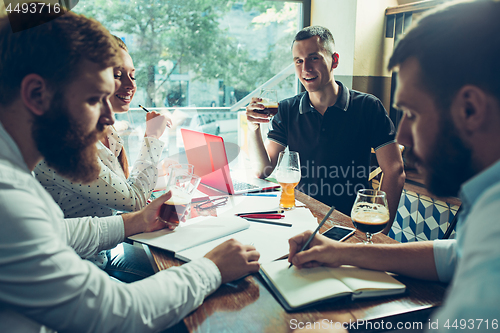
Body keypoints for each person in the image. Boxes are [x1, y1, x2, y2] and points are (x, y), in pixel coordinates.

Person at [0, 9, 259, 333]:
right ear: (37, 94)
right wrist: (213, 268)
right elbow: (117, 312)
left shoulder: (14, 177)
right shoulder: (7, 200)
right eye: (95, 99)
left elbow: (57, 232)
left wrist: (135, 221)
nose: (109, 117)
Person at [288, 1, 500, 331]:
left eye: (412, 115)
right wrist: (340, 252)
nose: (402, 135)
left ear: (470, 109)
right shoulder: (487, 203)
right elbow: (452, 256)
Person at [34, 36, 171, 282]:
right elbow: (134, 201)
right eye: (117, 74)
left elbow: (121, 191)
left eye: (133, 75)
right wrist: (152, 138)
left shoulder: (105, 131)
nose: (130, 85)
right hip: (73, 268)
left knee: (176, 265)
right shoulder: (67, 142)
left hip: (102, 253)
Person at [246, 26, 405, 233]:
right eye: (299, 61)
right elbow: (263, 169)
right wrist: (253, 128)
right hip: (299, 217)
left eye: (314, 58)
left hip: (349, 223)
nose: (305, 69)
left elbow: (395, 169)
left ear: (335, 60)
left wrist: (379, 231)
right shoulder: (286, 109)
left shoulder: (368, 106)